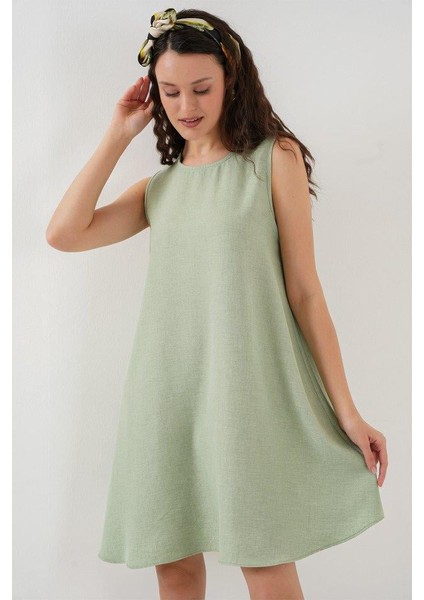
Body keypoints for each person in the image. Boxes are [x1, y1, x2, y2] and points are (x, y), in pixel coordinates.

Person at [46, 7, 388, 600]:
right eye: (170, 91)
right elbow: (64, 234)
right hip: (165, 395)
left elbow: (305, 292)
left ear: (232, 77)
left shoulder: (271, 160)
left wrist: (348, 411)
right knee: (174, 567)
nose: (186, 106)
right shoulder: (160, 188)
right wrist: (118, 134)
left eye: (201, 88)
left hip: (246, 395)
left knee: (264, 561)